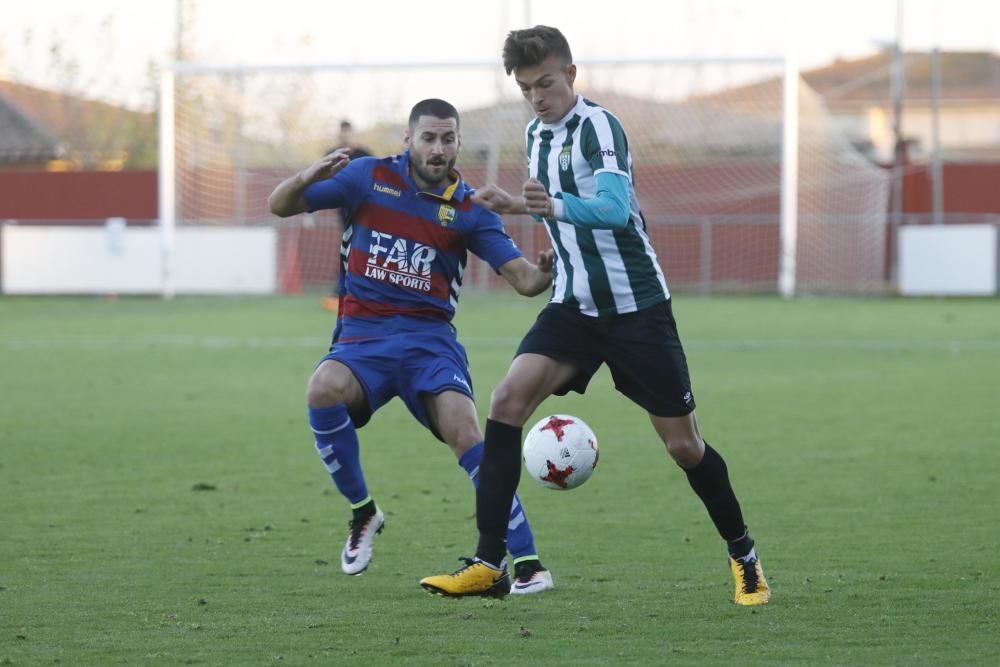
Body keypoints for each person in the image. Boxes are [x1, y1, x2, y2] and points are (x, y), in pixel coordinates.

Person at [420, 27, 771, 605]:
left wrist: (546, 206)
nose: (538, 96)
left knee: (684, 447)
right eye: (527, 87)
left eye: (547, 83)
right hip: (573, 305)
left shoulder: (601, 127)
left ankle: (744, 556)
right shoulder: (535, 136)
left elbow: (612, 208)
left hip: (638, 310)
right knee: (506, 402)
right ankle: (488, 562)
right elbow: (563, 219)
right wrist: (537, 230)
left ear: (572, 75)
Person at [269, 98, 557, 594]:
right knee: (322, 389)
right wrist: (306, 176)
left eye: (448, 139)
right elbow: (280, 205)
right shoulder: (366, 177)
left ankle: (529, 564)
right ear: (409, 140)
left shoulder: (469, 208)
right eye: (429, 138)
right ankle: (363, 514)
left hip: (429, 345)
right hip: (364, 339)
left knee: (468, 433)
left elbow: (525, 282)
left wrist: (548, 270)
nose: (438, 148)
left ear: (459, 143)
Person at [322, 120, 373, 312]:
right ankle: (342, 292)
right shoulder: (331, 154)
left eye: (347, 134)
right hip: (345, 212)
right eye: (341, 134)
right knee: (349, 248)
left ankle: (349, 291)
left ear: (353, 135)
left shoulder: (364, 155)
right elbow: (320, 180)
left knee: (362, 250)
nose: (344, 137)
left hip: (366, 210)